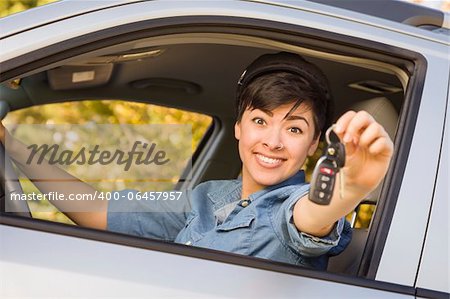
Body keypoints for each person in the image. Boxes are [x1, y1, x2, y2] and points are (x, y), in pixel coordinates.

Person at [0, 52, 393, 270]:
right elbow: (95, 209)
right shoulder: (207, 198)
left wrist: (348, 190)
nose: (272, 142)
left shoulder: (289, 207)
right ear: (239, 127)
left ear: (311, 146)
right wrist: (11, 144)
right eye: (260, 121)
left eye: (293, 129)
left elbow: (311, 219)